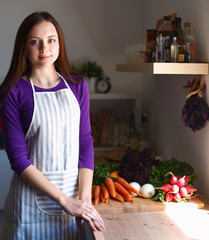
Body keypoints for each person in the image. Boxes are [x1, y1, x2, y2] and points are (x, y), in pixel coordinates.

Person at [0, 11, 105, 240]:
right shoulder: (13, 92)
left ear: (60, 43)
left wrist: (83, 202)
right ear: (24, 47)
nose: (44, 49)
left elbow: (85, 143)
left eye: (51, 40)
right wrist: (63, 200)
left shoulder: (77, 86)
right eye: (34, 42)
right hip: (28, 208)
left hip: (72, 204)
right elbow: (18, 158)